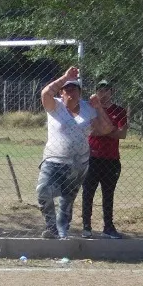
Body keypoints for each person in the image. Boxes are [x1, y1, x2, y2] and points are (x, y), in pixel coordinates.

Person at [36, 66, 113, 239]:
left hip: (78, 164)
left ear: (80, 92)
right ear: (61, 92)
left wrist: (99, 108)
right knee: (43, 191)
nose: (70, 91)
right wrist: (65, 77)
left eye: (74, 88)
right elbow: (45, 93)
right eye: (67, 89)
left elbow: (107, 128)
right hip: (54, 160)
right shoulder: (55, 106)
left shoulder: (88, 108)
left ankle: (61, 233)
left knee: (67, 199)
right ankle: (51, 226)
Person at [80, 80, 128, 239]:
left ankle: (108, 227)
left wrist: (104, 130)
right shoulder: (89, 109)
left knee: (108, 194)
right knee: (88, 193)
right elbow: (90, 131)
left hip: (111, 159)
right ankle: (86, 226)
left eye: (106, 90)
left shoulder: (119, 111)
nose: (103, 93)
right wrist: (109, 129)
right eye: (100, 90)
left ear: (111, 92)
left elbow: (122, 134)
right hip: (92, 158)